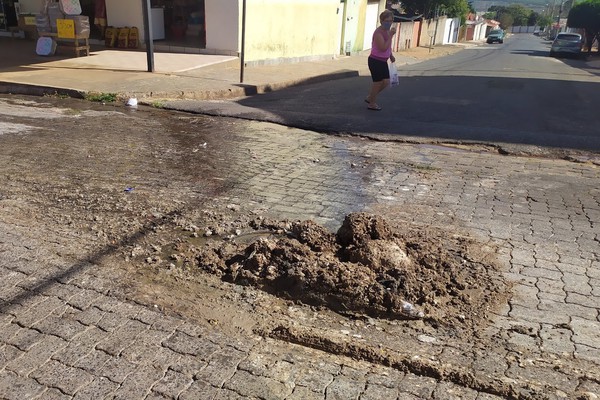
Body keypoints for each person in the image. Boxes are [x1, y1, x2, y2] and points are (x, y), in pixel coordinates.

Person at [365, 10, 396, 111]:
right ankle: (372, 103)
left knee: (386, 81)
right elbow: (382, 47)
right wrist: (391, 36)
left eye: (391, 21)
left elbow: (388, 47)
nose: (389, 23)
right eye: (387, 21)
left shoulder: (387, 31)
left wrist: (390, 55)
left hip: (383, 61)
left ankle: (370, 97)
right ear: (381, 21)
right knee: (377, 82)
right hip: (375, 61)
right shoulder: (378, 33)